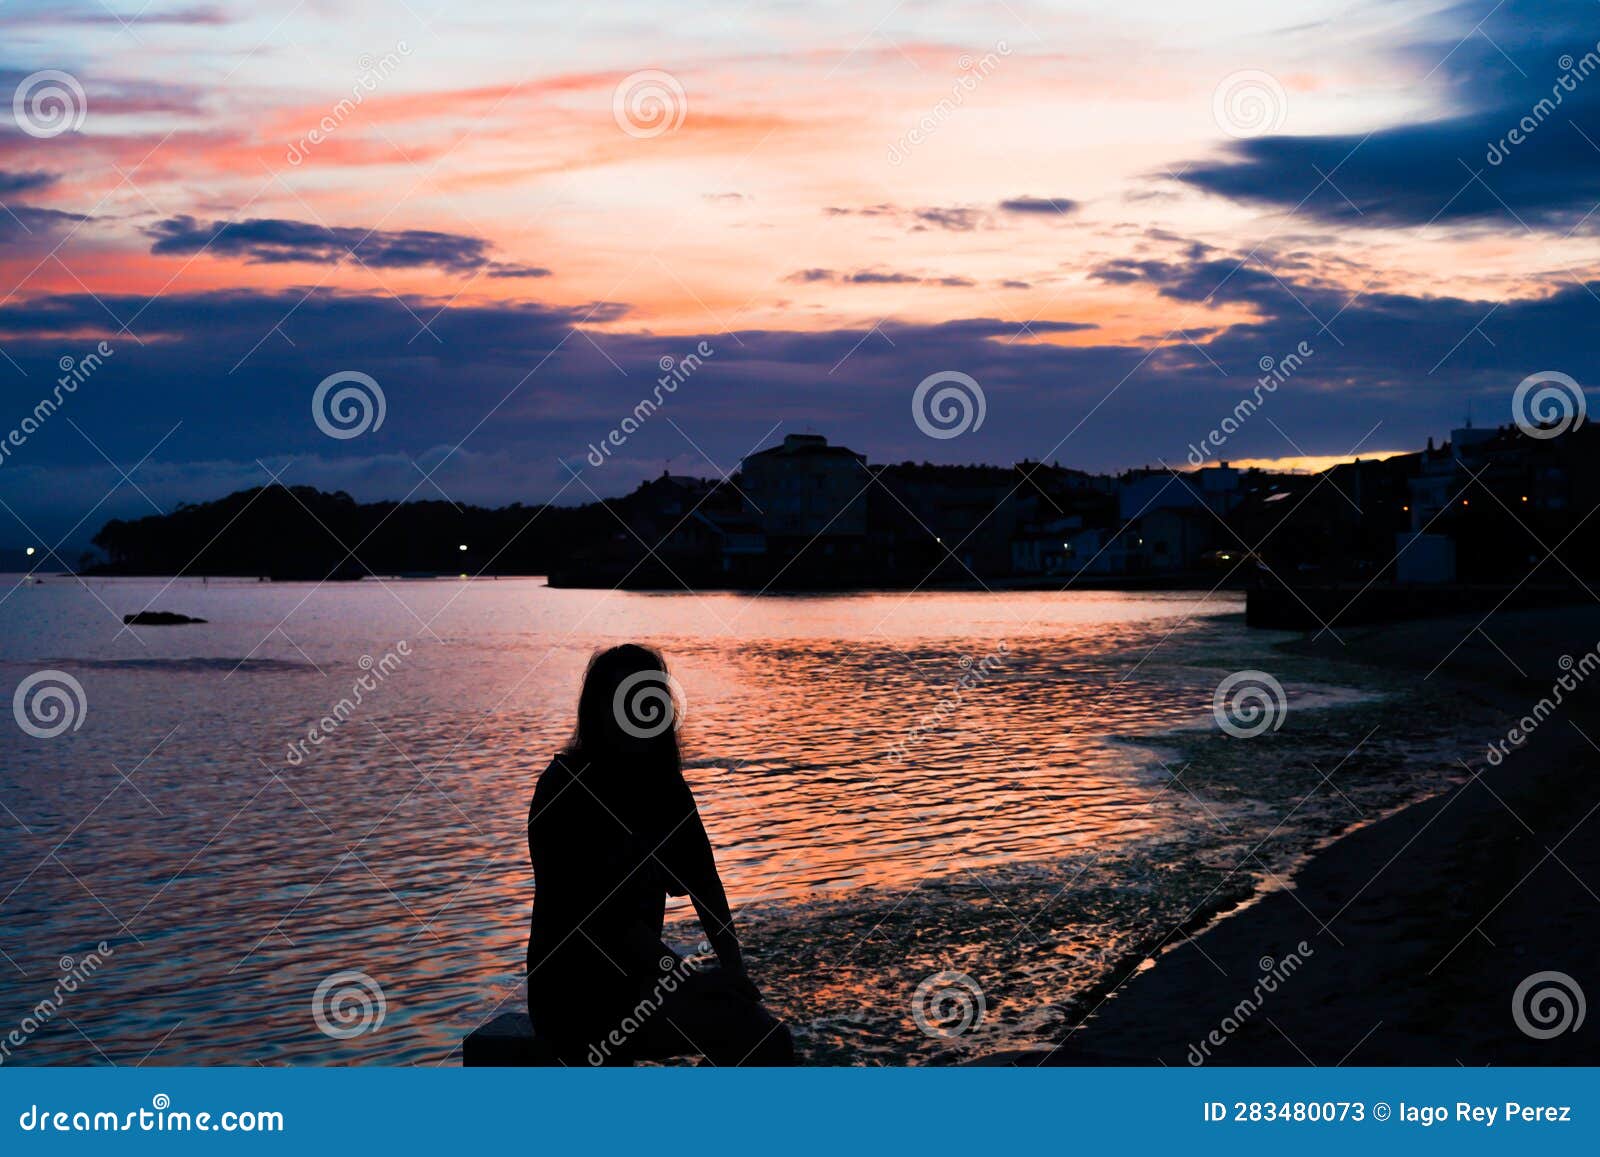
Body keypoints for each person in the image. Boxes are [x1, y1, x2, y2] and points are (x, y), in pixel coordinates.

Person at [526, 643, 794, 1066]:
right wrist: (685, 977)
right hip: (571, 996)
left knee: (765, 1037)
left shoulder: (664, 788)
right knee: (758, 1040)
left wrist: (734, 970)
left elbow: (706, 884)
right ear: (598, 711)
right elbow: (603, 921)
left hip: (641, 986)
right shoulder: (565, 790)